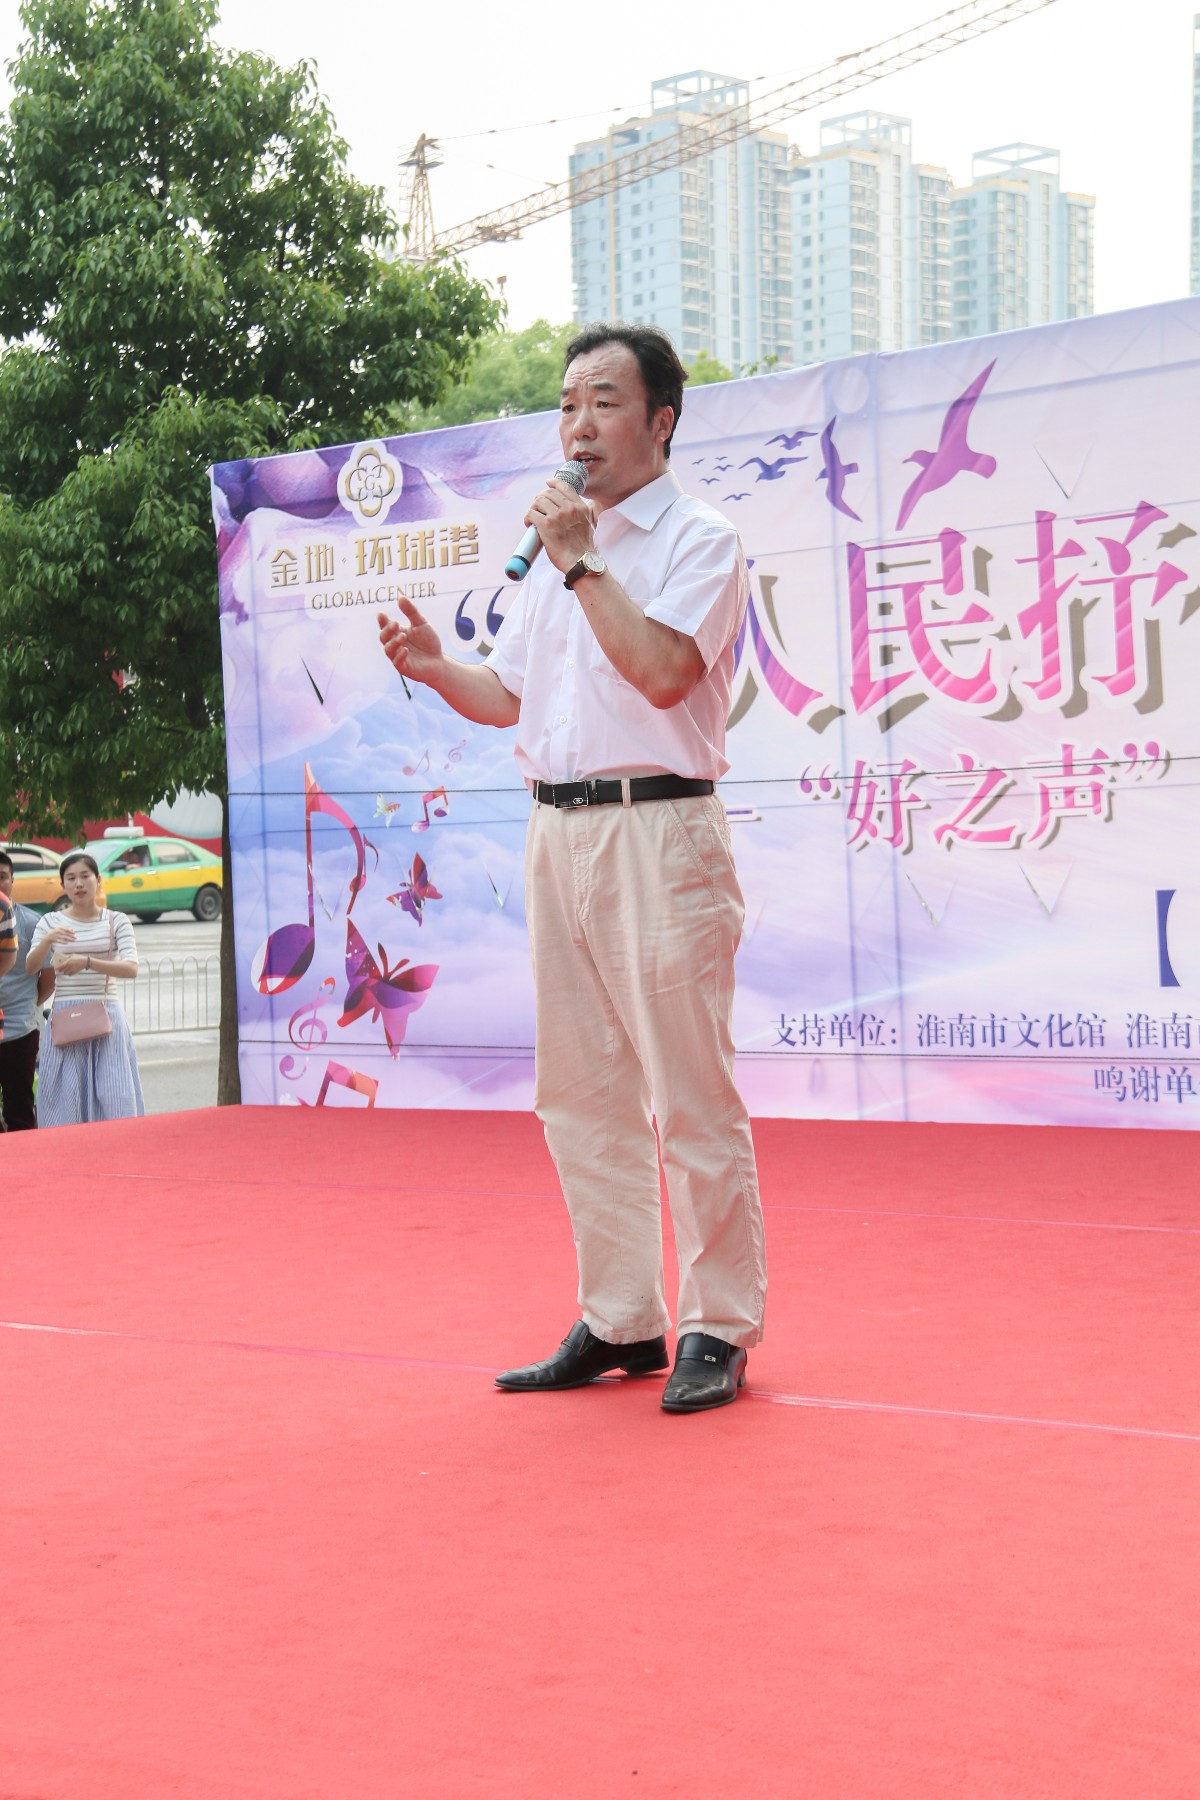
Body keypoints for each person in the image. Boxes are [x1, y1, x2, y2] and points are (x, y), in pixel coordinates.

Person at [378, 322, 766, 1413]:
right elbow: (509, 697)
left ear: (661, 421)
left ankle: (718, 1324)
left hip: (660, 830)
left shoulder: (697, 539)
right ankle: (622, 1316)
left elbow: (660, 673)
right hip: (556, 832)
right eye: (566, 405)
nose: (579, 425)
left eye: (604, 401)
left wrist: (582, 560)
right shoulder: (558, 559)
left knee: (689, 1095)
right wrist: (435, 668)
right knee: (582, 1094)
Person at [25, 851, 144, 1126]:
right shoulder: (49, 922)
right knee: (65, 1102)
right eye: (71, 878)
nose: (78, 884)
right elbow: (31, 967)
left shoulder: (116, 920)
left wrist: (88, 962)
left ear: (98, 880)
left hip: (107, 1014)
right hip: (66, 1015)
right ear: (62, 885)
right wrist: (48, 941)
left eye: (84, 876)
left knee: (114, 1097)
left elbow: (131, 968)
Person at [0, 850, 55, 1130]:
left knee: (19, 1109)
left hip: (19, 1030)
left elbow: (49, 976)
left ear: (13, 880)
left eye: (2, 877)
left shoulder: (32, 923)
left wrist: (30, 1005)